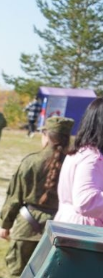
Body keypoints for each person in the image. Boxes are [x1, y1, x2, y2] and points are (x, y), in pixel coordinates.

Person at [0, 116, 73, 278]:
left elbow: (14, 197)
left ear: (45, 136)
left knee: (14, 275)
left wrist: (5, 223)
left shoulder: (31, 161)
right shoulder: (74, 163)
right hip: (60, 228)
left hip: (26, 226)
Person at [54, 97, 103, 226]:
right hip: (84, 231)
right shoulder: (91, 158)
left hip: (73, 226)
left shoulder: (83, 152)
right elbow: (85, 202)